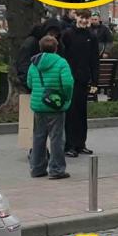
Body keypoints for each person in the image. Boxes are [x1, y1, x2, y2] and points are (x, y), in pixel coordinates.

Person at [27, 36, 74, 179]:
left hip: (38, 106)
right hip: (55, 106)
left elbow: (29, 83)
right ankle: (56, 169)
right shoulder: (61, 62)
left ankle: (37, 168)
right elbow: (67, 83)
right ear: (56, 48)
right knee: (57, 138)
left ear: (40, 48)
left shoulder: (34, 63)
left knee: (38, 137)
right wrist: (66, 98)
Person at [60, 9, 99, 157]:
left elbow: (94, 60)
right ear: (76, 17)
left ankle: (81, 143)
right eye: (81, 17)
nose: (84, 21)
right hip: (69, 79)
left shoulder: (92, 36)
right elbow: (63, 56)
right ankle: (69, 145)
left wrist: (95, 80)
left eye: (86, 18)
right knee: (71, 113)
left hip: (83, 79)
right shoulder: (68, 34)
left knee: (82, 113)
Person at [16, 18, 63, 92]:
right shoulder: (31, 43)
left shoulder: (58, 44)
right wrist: (29, 85)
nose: (53, 37)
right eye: (51, 34)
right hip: (35, 85)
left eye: (55, 35)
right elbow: (23, 65)